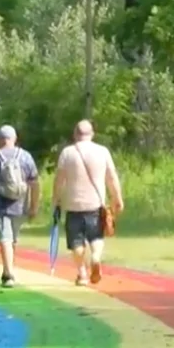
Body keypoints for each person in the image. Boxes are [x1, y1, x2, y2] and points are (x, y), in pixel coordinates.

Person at [52, 119, 123, 286]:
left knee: (76, 242)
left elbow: (59, 180)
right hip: (95, 204)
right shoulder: (102, 151)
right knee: (96, 237)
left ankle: (82, 274)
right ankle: (96, 258)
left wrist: (56, 200)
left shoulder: (67, 153)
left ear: (75, 134)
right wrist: (117, 198)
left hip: (73, 205)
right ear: (91, 134)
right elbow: (111, 177)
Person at [0, 124, 39, 288]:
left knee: (5, 238)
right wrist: (34, 206)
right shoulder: (25, 156)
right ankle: (8, 270)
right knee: (13, 239)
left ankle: (8, 273)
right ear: (14, 139)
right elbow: (34, 183)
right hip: (20, 204)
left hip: (0, 205)